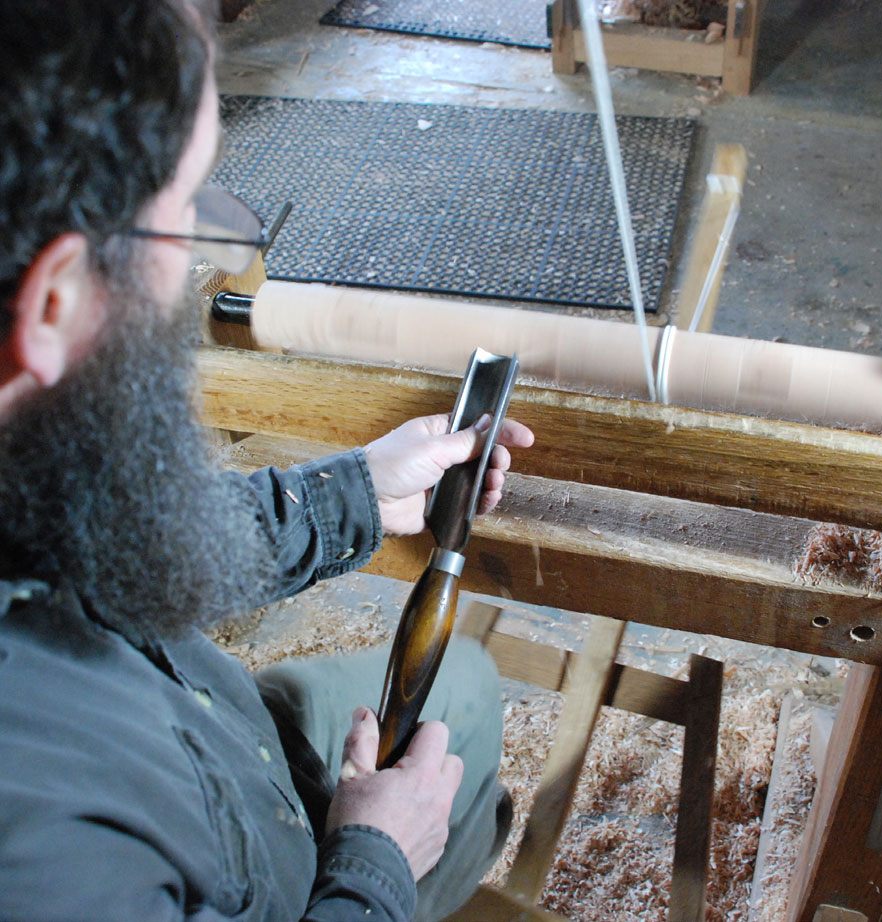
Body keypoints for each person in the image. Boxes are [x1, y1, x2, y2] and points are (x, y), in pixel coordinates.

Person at [0, 1, 534, 920]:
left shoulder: (29, 444)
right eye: (182, 219)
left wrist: (355, 493)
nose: (190, 270)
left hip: (217, 746)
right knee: (464, 747)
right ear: (53, 301)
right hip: (280, 873)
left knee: (473, 690)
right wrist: (375, 862)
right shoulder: (53, 857)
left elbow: (104, 532)